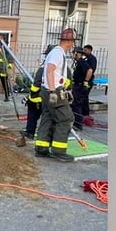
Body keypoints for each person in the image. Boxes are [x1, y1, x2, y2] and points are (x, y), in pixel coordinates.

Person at [34, 28, 76, 162]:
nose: (73, 45)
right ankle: (59, 151)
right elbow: (50, 70)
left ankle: (42, 148)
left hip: (48, 91)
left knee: (48, 117)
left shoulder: (56, 52)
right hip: (54, 91)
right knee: (66, 118)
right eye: (73, 42)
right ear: (70, 42)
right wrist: (53, 91)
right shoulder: (58, 53)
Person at [20, 47, 49, 140]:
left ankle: (30, 133)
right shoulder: (59, 68)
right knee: (46, 119)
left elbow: (36, 84)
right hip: (48, 99)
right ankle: (45, 135)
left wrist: (31, 95)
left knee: (32, 116)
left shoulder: (43, 69)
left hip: (37, 98)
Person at [70, 46, 93, 131]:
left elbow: (89, 70)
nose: (73, 55)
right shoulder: (78, 62)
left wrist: (85, 81)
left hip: (79, 86)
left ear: (77, 54)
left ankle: (77, 124)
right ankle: (76, 123)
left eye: (74, 53)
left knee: (77, 105)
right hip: (78, 84)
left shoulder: (81, 62)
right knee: (76, 104)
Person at [81, 44, 97, 117]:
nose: (84, 51)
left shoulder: (92, 59)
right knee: (82, 96)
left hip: (88, 80)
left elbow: (91, 70)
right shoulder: (84, 58)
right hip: (82, 79)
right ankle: (82, 112)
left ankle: (86, 113)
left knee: (85, 96)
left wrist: (86, 80)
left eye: (85, 50)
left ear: (90, 50)